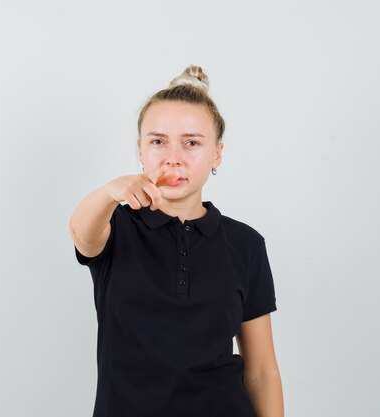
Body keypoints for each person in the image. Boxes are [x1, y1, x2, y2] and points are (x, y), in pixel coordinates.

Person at [69, 65, 284, 417]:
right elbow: (81, 232)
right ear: (141, 151)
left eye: (192, 143)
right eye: (158, 141)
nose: (174, 157)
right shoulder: (116, 227)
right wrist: (111, 192)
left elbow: (261, 371)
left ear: (217, 154)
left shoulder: (245, 244)